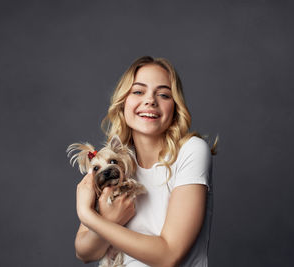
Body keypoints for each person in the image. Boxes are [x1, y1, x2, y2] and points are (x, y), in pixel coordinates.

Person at [74, 56, 216, 267]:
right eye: (138, 91)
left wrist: (87, 214)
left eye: (164, 94)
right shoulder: (116, 164)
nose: (150, 100)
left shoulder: (191, 150)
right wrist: (112, 221)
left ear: (175, 107)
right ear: (123, 102)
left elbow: (168, 255)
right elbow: (85, 252)